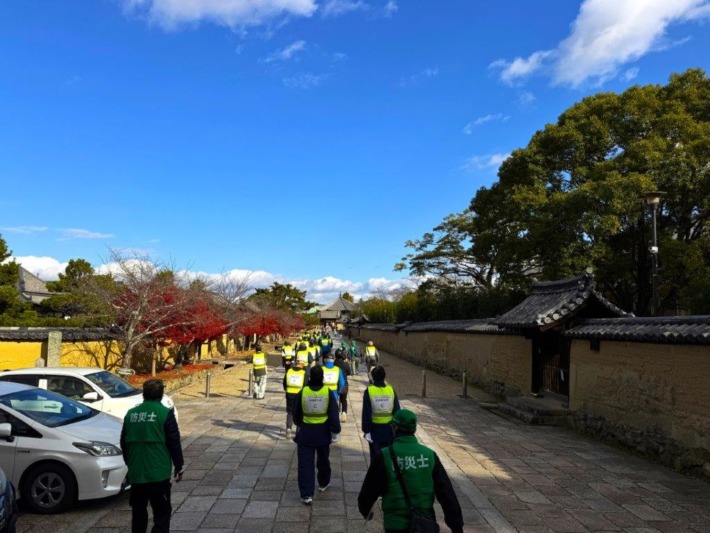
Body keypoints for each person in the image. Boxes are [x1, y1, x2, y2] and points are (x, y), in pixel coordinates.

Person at [358, 409, 463, 533]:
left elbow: (369, 490)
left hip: (395, 525)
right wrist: (456, 525)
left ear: (395, 428)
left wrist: (365, 510)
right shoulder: (429, 455)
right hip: (425, 524)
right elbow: (446, 493)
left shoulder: (384, 455)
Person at [121, 379, 184, 533]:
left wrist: (130, 464)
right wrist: (179, 465)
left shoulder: (131, 414)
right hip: (158, 472)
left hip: (137, 473)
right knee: (162, 513)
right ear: (161, 394)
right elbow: (174, 443)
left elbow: (123, 443)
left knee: (138, 513)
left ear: (144, 394)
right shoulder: (165, 413)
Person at [292, 365, 341, 505]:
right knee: (323, 460)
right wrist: (335, 430)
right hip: (323, 434)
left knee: (305, 464)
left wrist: (300, 423)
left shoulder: (303, 392)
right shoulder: (327, 392)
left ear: (310, 378)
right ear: (322, 378)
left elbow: (296, 414)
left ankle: (306, 494)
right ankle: (323, 482)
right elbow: (333, 413)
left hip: (306, 434)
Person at [362, 365, 400, 459]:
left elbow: (366, 413)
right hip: (389, 429)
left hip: (375, 429)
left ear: (373, 377)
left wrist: (366, 430)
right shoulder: (391, 390)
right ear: (384, 376)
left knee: (376, 458)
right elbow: (397, 411)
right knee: (388, 457)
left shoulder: (369, 391)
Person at [283, 357, 308, 440]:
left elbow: (284, 383)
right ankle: (298, 432)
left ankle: (288, 429)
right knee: (299, 413)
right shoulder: (304, 373)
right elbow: (306, 386)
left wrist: (287, 390)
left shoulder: (289, 371)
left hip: (289, 394)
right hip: (299, 395)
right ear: (302, 364)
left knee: (290, 412)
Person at [333, 350, 352, 422]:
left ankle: (335, 413)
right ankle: (344, 412)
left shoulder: (334, 363)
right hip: (344, 384)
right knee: (343, 400)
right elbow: (349, 372)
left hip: (335, 383)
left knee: (334, 399)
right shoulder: (345, 363)